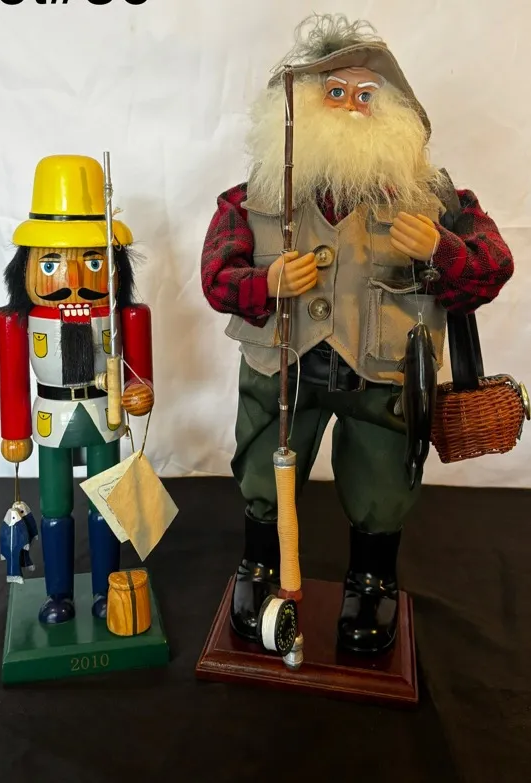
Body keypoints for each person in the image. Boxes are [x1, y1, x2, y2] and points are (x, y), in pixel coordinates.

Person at [200, 14, 514, 654]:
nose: (348, 106)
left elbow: (493, 267)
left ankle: (372, 580)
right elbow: (216, 276)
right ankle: (260, 564)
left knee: (382, 480)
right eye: (334, 92)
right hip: (282, 370)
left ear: (394, 109)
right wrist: (265, 284)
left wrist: (443, 249)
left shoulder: (433, 198)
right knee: (264, 468)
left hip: (383, 374)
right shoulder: (255, 197)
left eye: (365, 94)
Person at [0, 154, 154, 624]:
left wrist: (140, 390)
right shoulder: (20, 322)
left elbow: (139, 372)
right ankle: (58, 595)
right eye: (51, 264)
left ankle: (107, 589)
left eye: (93, 261)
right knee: (54, 509)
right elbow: (11, 378)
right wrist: (14, 430)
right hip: (51, 418)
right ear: (25, 266)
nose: (73, 280)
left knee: (107, 504)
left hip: (105, 414)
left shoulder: (123, 316)